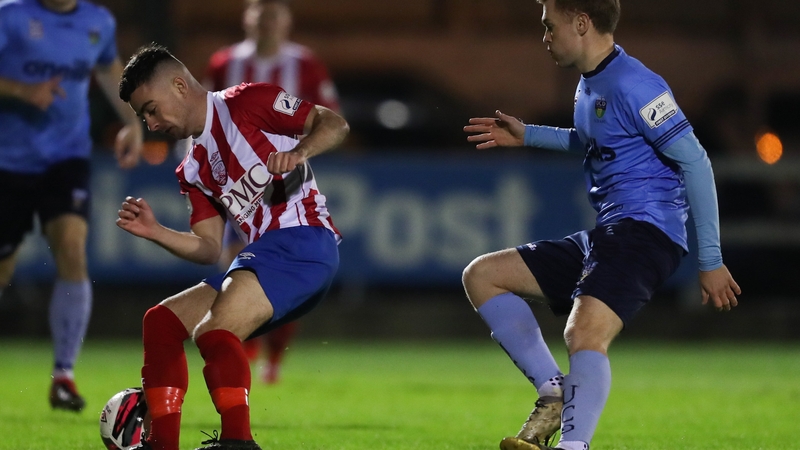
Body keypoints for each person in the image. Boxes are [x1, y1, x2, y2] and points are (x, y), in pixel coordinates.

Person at [462, 1, 741, 449]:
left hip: (646, 232)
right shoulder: (591, 82)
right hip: (610, 232)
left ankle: (575, 446)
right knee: (483, 276)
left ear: (581, 23)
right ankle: (554, 393)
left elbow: (697, 162)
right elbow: (594, 140)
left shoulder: (637, 84)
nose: (545, 37)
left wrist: (710, 258)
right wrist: (528, 134)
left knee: (583, 331)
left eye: (549, 27)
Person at [117, 43, 347, 450]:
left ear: (179, 85)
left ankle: (238, 443)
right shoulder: (191, 167)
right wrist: (156, 232)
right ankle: (161, 443)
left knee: (214, 329)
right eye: (142, 116)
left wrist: (299, 152)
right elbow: (208, 249)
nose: (150, 124)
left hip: (303, 241)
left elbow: (334, 123)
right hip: (266, 257)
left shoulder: (248, 101)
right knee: (162, 322)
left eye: (151, 109)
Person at [0, 0, 143, 412]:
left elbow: (108, 67)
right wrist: (23, 90)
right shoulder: (11, 15)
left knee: (72, 247)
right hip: (9, 161)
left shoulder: (97, 21)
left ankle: (63, 375)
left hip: (67, 158)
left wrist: (132, 121)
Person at [205, 0, 341, 384]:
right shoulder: (223, 63)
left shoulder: (305, 64)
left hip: (287, 178)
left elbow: (328, 116)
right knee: (235, 261)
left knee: (280, 265)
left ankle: (273, 356)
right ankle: (245, 343)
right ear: (247, 20)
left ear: (286, 23)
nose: (265, 24)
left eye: (273, 17)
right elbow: (204, 119)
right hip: (238, 180)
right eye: (259, 16)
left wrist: (300, 154)